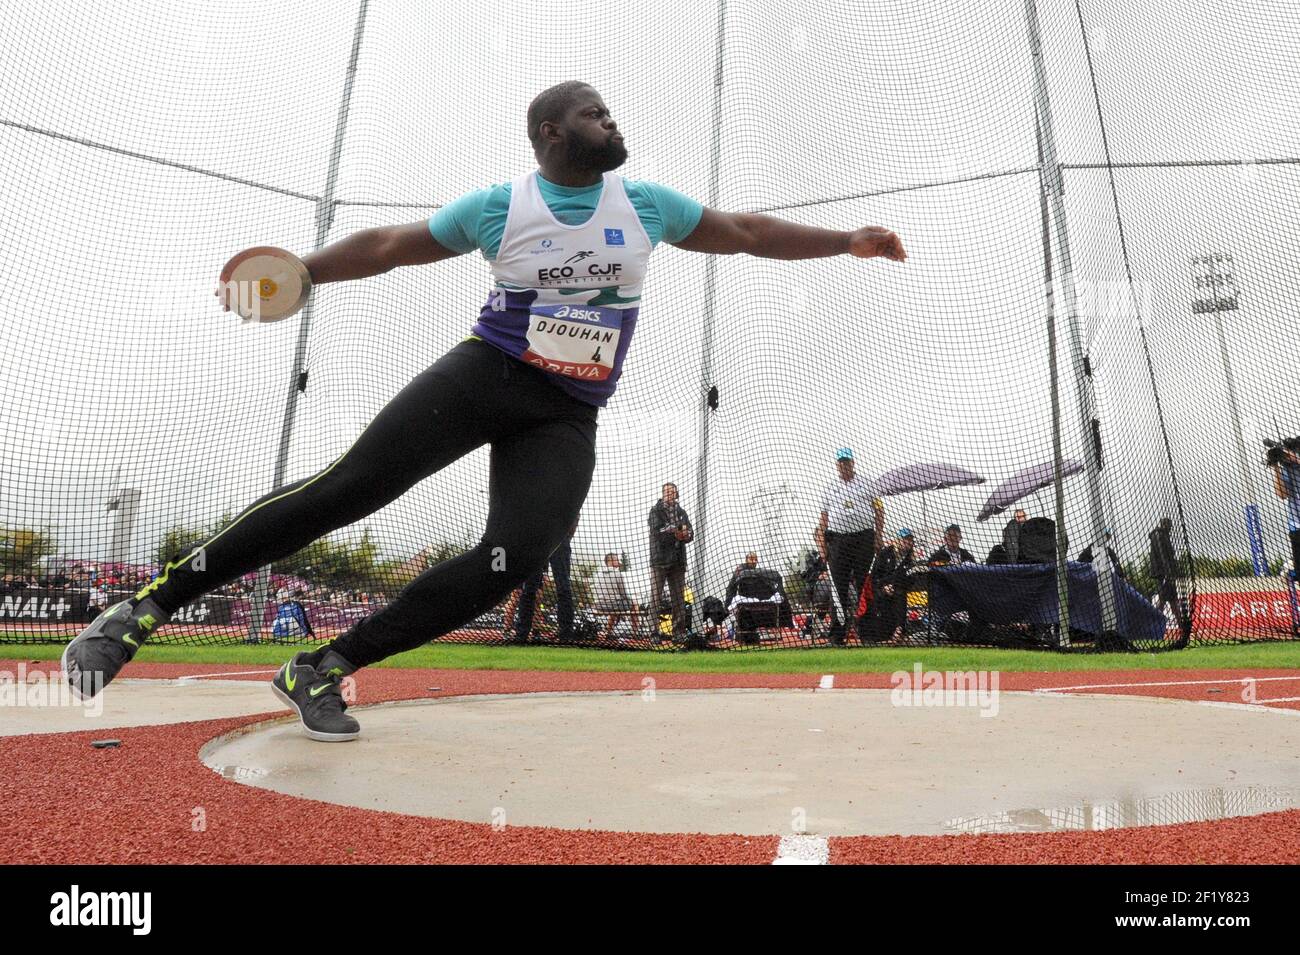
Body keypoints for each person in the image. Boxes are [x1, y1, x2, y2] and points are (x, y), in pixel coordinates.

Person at [61, 80, 906, 740]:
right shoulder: (502, 206)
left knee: (512, 557)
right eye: (594, 114)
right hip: (486, 373)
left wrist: (847, 240)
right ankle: (142, 609)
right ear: (552, 135)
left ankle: (324, 665)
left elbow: (749, 231)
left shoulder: (646, 204)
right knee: (344, 491)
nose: (612, 124)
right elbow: (392, 247)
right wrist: (304, 271)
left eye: (610, 113)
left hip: (566, 414)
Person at [814, 447, 885, 645]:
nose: (844, 465)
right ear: (837, 465)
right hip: (838, 542)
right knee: (838, 589)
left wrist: (878, 537)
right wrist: (822, 545)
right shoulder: (829, 488)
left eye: (847, 461)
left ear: (853, 463)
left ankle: (868, 635)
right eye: (841, 462)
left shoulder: (868, 484)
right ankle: (837, 636)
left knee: (865, 586)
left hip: (864, 539)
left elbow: (879, 512)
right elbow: (823, 520)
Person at [514, 515, 579, 643]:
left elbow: (575, 515)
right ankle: (565, 635)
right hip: (544, 538)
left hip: (549, 537)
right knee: (531, 589)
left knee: (559, 588)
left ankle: (523, 634)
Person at [648, 483, 693, 641]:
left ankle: (678, 632)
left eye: (672, 492)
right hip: (659, 561)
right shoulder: (656, 511)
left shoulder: (682, 512)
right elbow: (657, 532)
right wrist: (676, 533)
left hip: (678, 561)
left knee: (679, 598)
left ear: (676, 494)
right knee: (655, 597)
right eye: (667, 491)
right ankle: (654, 632)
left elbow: (690, 533)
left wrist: (685, 535)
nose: (670, 494)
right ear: (663, 493)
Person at [864, 528, 919, 643]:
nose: (908, 543)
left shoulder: (911, 559)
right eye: (905, 540)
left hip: (898, 590)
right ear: (897, 540)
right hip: (880, 589)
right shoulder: (885, 553)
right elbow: (875, 576)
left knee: (900, 594)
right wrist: (884, 586)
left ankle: (899, 629)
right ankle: (890, 631)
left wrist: (894, 585)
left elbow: (912, 579)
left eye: (910, 541)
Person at [593, 552, 640, 642]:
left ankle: (609, 632)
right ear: (610, 561)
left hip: (599, 605)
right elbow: (624, 594)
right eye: (616, 559)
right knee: (634, 603)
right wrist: (629, 599)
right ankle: (635, 633)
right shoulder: (618, 574)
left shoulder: (597, 574)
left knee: (615, 606)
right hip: (612, 604)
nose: (618, 561)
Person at [1272, 445, 1300, 582]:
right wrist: (1276, 467)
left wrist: (1297, 460)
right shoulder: (1287, 470)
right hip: (1297, 527)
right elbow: (1282, 494)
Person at [1148, 517, 1181, 626]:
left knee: (1172, 598)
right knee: (1164, 598)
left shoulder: (1162, 535)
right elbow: (1163, 555)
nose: (1170, 528)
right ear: (1165, 525)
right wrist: (1168, 573)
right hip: (1163, 573)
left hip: (1166, 572)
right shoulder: (1158, 535)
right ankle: (1154, 623)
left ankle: (1180, 624)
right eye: (1169, 526)